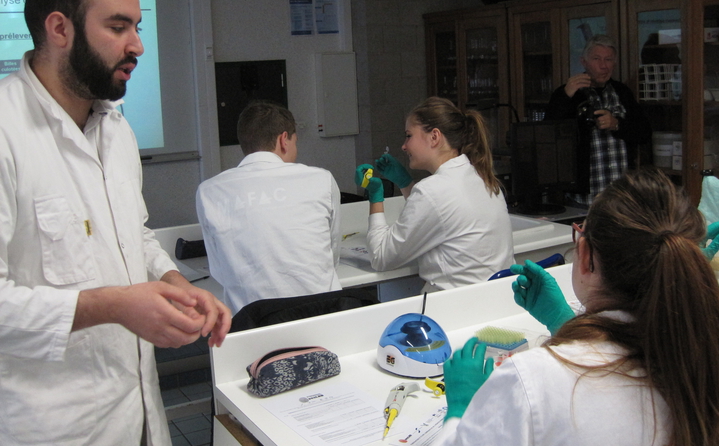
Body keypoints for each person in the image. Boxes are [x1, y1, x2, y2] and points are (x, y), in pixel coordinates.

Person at [0, 0, 231, 446]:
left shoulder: (115, 128)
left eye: (139, 27)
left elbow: (134, 234)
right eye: (118, 27)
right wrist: (114, 306)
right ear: (59, 28)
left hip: (138, 421)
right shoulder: (7, 132)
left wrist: (172, 282)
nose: (138, 46)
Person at [412, 168, 719, 446]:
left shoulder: (531, 380)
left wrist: (462, 412)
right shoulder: (704, 362)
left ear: (584, 255)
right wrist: (564, 324)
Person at [196, 100, 342, 315]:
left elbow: (219, 270)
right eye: (295, 142)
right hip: (323, 314)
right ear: (284, 140)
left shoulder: (209, 191)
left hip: (252, 324)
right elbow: (332, 254)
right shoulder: (321, 179)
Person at [354, 96, 513, 291]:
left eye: (409, 135)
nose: (404, 146)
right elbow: (437, 215)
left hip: (453, 305)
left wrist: (375, 196)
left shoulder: (432, 190)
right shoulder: (482, 178)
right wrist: (406, 183)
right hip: (494, 299)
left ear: (434, 137)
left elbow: (381, 257)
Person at [545, 34, 651, 206]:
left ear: (614, 63)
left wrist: (617, 124)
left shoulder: (622, 92)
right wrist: (565, 95)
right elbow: (548, 134)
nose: (603, 66)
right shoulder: (568, 93)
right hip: (583, 196)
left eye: (608, 60)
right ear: (584, 62)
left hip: (621, 194)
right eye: (596, 59)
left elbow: (644, 132)